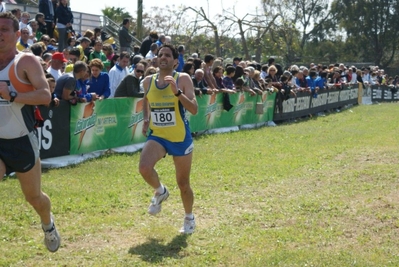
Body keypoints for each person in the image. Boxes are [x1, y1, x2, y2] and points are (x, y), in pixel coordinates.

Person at [0, 12, 60, 252]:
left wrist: (13, 95)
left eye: (4, 29)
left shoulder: (25, 61)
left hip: (21, 141)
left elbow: (45, 96)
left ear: (17, 35)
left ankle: (48, 225)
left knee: (34, 198)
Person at [139, 43, 198, 234]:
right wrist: (146, 119)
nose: (162, 57)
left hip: (180, 138)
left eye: (167, 55)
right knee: (144, 168)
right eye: (160, 54)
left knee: (183, 184)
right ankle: (160, 191)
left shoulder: (183, 79)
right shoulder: (148, 81)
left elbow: (194, 109)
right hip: (158, 136)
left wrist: (177, 93)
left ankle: (189, 218)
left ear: (175, 61)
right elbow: (146, 100)